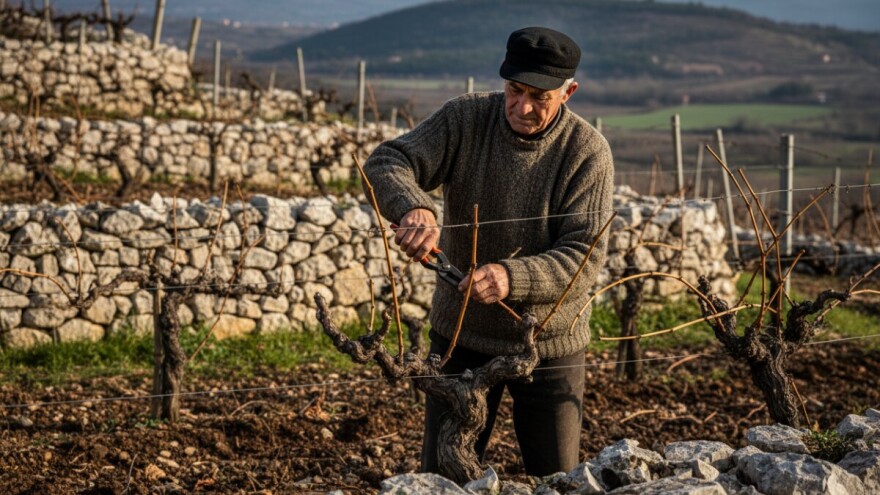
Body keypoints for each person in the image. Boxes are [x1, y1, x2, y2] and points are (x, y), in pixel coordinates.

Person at [363, 26, 614, 476]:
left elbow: (583, 255)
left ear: (569, 91)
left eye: (541, 97)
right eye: (515, 90)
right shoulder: (465, 119)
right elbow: (387, 162)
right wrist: (413, 207)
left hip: (549, 344)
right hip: (461, 335)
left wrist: (510, 278)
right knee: (445, 475)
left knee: (556, 478)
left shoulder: (587, 152)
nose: (523, 106)